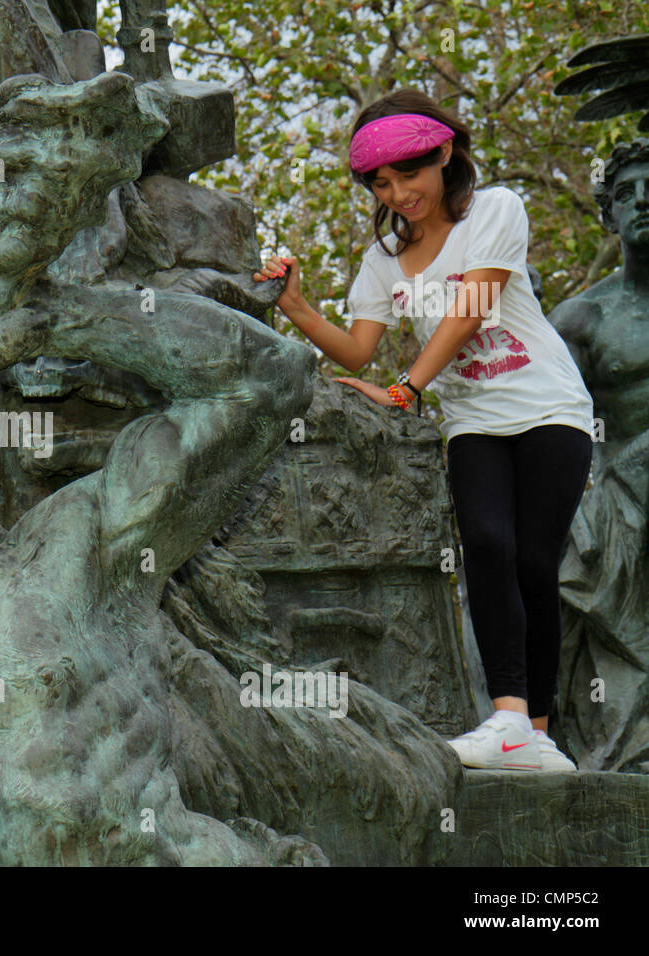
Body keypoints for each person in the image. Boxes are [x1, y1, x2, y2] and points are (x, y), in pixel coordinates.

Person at [254, 89, 594, 772]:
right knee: (488, 548)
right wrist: (295, 306)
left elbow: (471, 305)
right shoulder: (383, 262)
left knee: (534, 562)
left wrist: (406, 388)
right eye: (381, 182)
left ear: (443, 154)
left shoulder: (495, 210)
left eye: (407, 174)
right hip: (473, 423)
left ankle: (537, 733)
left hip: (550, 410)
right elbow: (356, 351)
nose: (397, 192)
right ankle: (508, 718)